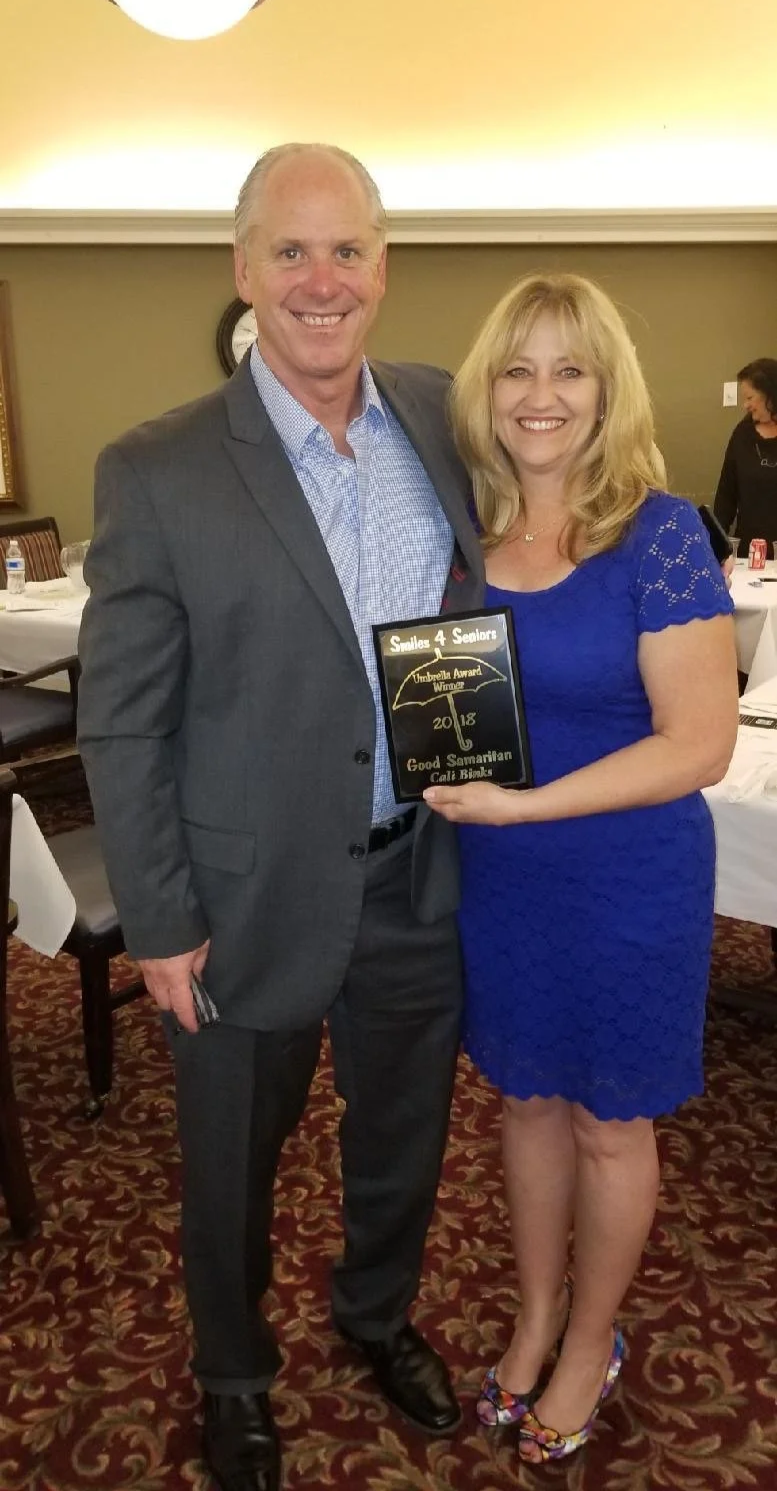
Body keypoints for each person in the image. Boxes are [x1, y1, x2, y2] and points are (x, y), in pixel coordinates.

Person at [77, 142, 484, 1491]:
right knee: (229, 1168)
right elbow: (124, 719)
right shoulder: (160, 467)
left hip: (418, 869)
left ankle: (374, 1314)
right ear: (244, 270)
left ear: (385, 267)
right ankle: (232, 1371)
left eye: (348, 249)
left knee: (403, 1138)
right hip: (238, 899)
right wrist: (161, 916)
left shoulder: (446, 416)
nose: (323, 280)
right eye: (292, 251)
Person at [422, 272, 739, 1464]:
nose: (540, 395)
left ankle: (593, 1332)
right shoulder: (467, 533)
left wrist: (525, 805)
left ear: (607, 392)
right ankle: (540, 1308)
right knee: (526, 1097)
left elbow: (699, 744)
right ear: (486, 391)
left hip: (623, 880)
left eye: (569, 370)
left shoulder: (658, 531)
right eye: (517, 368)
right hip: (504, 879)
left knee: (611, 1123)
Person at [714, 357, 777, 558]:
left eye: (750, 398)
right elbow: (726, 496)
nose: (745, 405)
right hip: (749, 555)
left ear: (770, 395)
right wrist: (715, 545)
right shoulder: (742, 435)